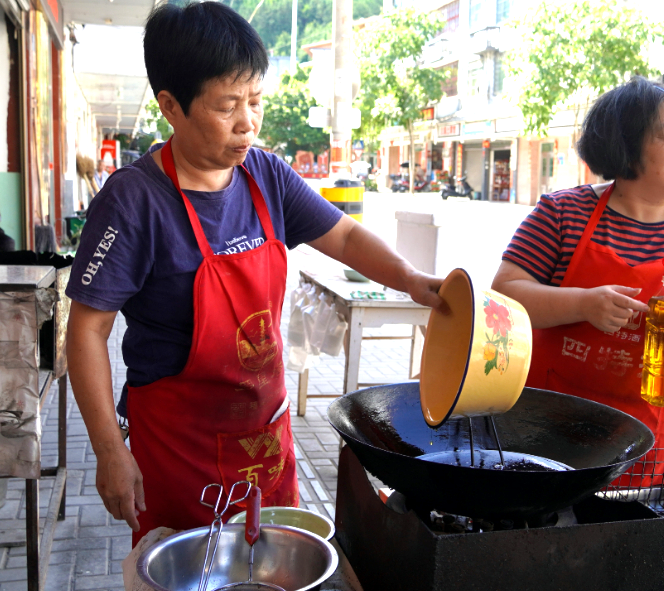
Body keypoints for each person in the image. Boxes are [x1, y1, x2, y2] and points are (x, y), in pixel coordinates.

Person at [65, 2, 445, 547]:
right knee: (188, 584)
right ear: (171, 106)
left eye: (255, 100)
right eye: (227, 105)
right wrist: (108, 449)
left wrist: (409, 278)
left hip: (262, 438)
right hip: (176, 446)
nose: (248, 122)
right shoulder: (133, 201)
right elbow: (88, 331)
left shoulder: (266, 175)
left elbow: (341, 235)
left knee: (268, 571)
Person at [491, 77, 664, 466]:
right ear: (627, 146)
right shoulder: (561, 214)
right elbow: (503, 297)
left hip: (658, 453)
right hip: (549, 441)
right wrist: (583, 304)